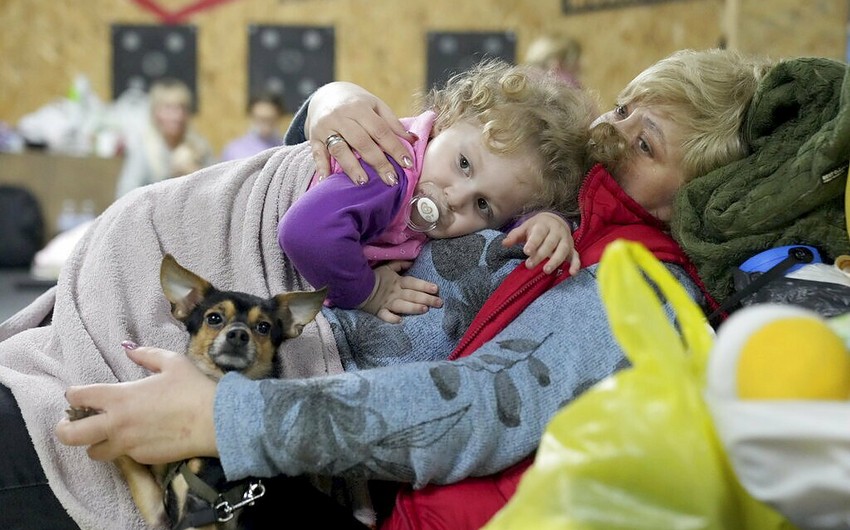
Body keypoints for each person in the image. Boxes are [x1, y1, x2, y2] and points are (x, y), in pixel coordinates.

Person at [0, 48, 777, 529]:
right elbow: (364, 177)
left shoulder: (632, 284)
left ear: (704, 193)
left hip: (223, 406)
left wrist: (225, 416)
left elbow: (473, 407)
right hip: (169, 311)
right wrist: (332, 106)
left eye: (643, 140)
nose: (606, 132)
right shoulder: (568, 191)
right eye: (621, 104)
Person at [279, 59, 595, 322]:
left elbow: (512, 217)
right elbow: (304, 233)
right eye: (464, 164)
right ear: (444, 122)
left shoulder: (441, 170)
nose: (456, 197)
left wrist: (548, 221)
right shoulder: (391, 172)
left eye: (482, 205)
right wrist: (370, 291)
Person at [114, 78, 214, 198]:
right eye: (169, 109)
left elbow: (217, 189)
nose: (177, 116)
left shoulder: (199, 146)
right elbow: (125, 196)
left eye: (181, 108)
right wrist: (172, 176)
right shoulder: (144, 150)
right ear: (155, 112)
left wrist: (195, 173)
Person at [220, 91, 286, 161]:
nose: (265, 126)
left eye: (270, 120)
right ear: (250, 116)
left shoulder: (285, 149)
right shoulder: (233, 150)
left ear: (279, 117)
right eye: (260, 119)